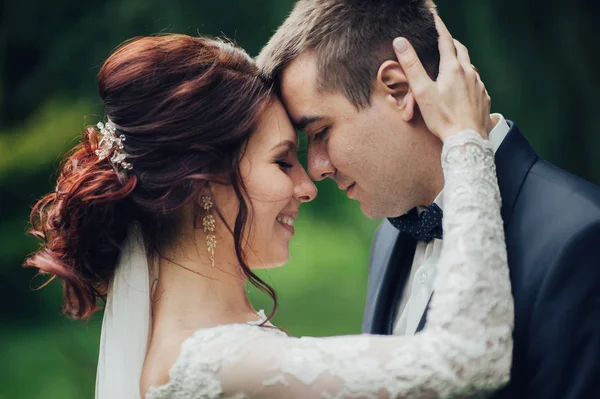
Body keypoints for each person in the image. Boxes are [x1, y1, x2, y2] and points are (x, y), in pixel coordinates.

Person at [25, 26, 512, 398]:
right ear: (203, 186)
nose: (307, 186)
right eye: (283, 161)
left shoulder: (212, 346)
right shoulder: (211, 361)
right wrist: (465, 142)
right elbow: (471, 356)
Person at [257, 0, 600, 397]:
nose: (316, 168)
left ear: (398, 91)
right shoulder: (389, 236)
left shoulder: (580, 238)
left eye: (320, 132)